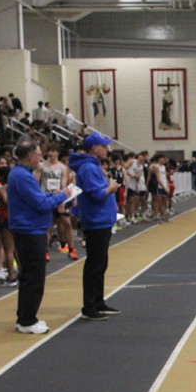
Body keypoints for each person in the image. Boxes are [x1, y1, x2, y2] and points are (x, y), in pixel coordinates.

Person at [7, 141, 70, 333]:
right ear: (30, 157)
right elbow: (41, 205)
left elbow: (38, 199)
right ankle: (28, 320)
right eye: (38, 155)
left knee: (29, 276)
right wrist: (63, 195)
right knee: (34, 277)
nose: (41, 158)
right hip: (30, 232)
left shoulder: (21, 174)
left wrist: (52, 196)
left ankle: (24, 317)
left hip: (29, 230)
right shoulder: (22, 176)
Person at [69, 133, 120, 320]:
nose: (107, 149)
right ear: (94, 148)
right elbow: (96, 195)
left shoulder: (91, 166)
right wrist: (111, 187)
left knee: (100, 263)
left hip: (101, 220)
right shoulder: (89, 168)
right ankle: (89, 306)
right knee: (95, 265)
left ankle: (98, 301)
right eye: (103, 146)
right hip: (96, 220)